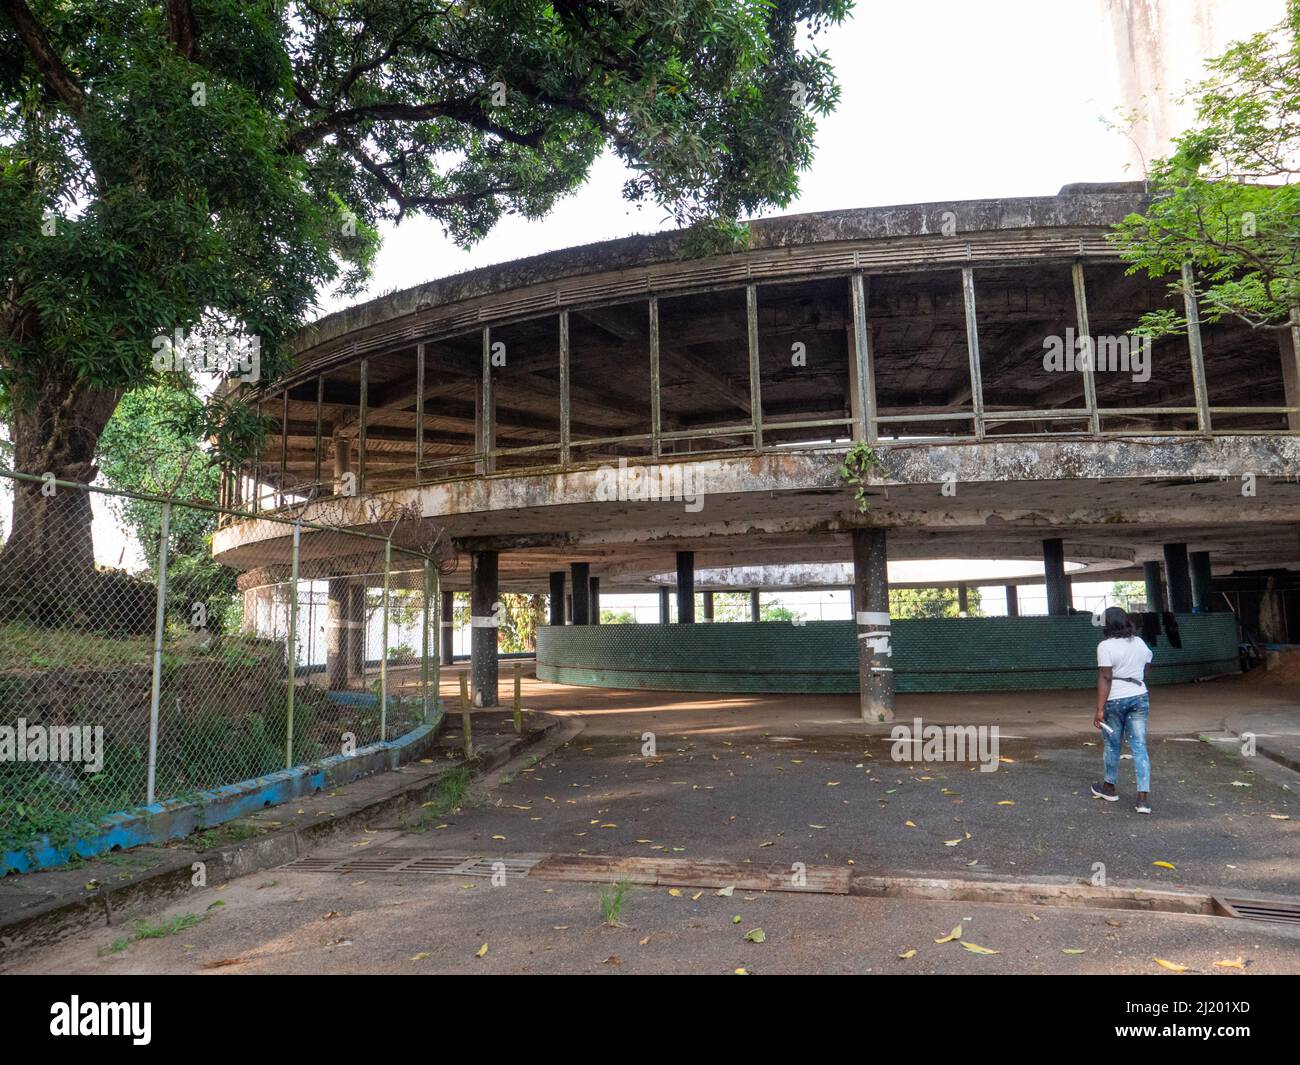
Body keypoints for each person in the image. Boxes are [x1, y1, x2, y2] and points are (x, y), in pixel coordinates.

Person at [1091, 606, 1154, 814]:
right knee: (1139, 747)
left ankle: (1109, 788)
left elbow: (1106, 677)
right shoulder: (1139, 642)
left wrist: (1099, 709)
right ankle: (1142, 800)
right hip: (1139, 696)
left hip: (1115, 700)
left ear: (1107, 624)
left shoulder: (1105, 646)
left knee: (1112, 744)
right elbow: (1146, 667)